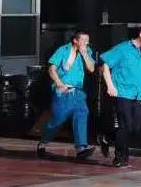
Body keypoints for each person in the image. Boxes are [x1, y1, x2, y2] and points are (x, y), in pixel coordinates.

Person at [101, 24, 141, 168]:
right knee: (125, 125)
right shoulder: (123, 48)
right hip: (122, 92)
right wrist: (110, 85)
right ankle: (121, 157)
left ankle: (107, 137)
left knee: (134, 129)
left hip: (138, 94)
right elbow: (105, 65)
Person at [36, 31, 96, 160]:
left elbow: (91, 69)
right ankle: (43, 141)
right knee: (59, 118)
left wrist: (85, 53)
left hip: (78, 90)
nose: (86, 43)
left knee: (82, 114)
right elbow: (52, 68)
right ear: (75, 40)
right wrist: (59, 83)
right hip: (63, 89)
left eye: (88, 41)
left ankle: (81, 148)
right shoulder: (63, 50)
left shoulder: (87, 51)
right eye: (84, 40)